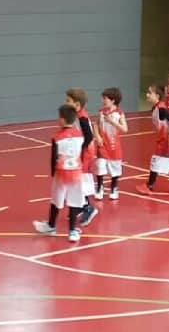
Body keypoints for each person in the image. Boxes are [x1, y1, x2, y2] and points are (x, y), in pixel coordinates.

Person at [33, 104, 87, 241]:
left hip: (61, 173)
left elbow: (53, 157)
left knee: (56, 199)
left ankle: (51, 226)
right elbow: (83, 152)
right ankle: (72, 231)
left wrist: (53, 173)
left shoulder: (57, 137)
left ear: (62, 120)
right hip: (76, 171)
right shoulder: (80, 135)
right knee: (75, 201)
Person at [141, 84, 169, 194]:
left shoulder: (161, 109)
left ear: (157, 96)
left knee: (155, 161)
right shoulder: (156, 108)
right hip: (165, 138)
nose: (147, 94)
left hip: (166, 141)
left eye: (150, 93)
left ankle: (149, 186)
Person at [64, 88, 98, 226]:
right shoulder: (75, 115)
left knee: (80, 181)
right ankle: (79, 206)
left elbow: (89, 136)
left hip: (86, 152)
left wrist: (80, 150)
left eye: (68, 101)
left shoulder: (82, 117)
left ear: (77, 105)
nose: (65, 103)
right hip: (81, 151)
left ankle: (88, 208)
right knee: (75, 179)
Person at [95, 87, 128, 201]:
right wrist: (97, 136)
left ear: (113, 100)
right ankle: (100, 187)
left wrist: (112, 122)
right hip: (102, 145)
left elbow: (125, 129)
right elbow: (96, 124)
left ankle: (114, 187)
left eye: (105, 98)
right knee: (100, 166)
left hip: (114, 146)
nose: (103, 101)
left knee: (115, 169)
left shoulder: (119, 113)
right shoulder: (101, 112)